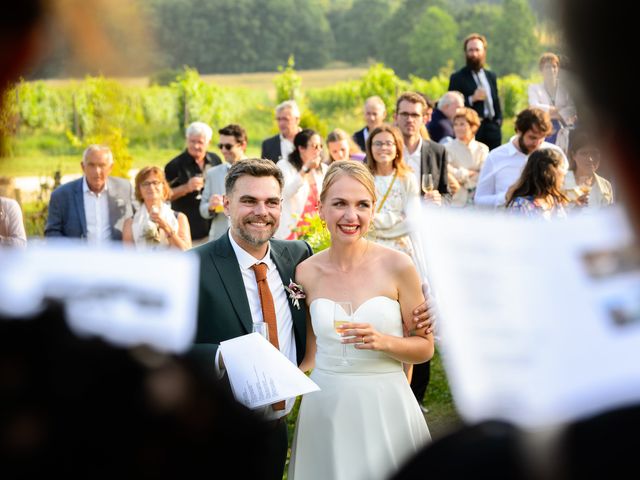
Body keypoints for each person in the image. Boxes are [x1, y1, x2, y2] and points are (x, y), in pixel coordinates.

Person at [287, 161, 433, 480]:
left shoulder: (399, 266)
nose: (351, 216)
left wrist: (385, 342)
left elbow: (425, 349)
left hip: (385, 402)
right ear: (321, 207)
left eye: (362, 205)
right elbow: (310, 355)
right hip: (326, 405)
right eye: (339, 203)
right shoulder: (305, 272)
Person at [474, 108, 568, 208]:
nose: (537, 144)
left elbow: (566, 189)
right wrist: (506, 197)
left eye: (542, 138)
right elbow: (479, 200)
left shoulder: (554, 153)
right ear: (519, 131)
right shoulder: (495, 157)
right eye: (532, 137)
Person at [45, 145, 134, 242]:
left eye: (102, 165)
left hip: (115, 255)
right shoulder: (62, 195)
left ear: (110, 167)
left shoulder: (124, 189)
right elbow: (52, 233)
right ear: (83, 166)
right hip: (77, 256)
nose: (97, 171)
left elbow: (139, 219)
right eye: (91, 165)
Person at [365, 125, 420, 263]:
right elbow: (364, 217)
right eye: (378, 143)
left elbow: (413, 217)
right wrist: (395, 218)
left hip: (402, 248)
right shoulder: (363, 179)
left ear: (397, 148)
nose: (383, 148)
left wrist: (382, 228)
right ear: (370, 149)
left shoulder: (408, 178)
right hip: (371, 248)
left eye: (388, 143)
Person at [165, 121, 222, 246]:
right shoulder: (174, 166)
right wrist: (186, 187)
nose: (196, 146)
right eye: (192, 141)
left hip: (213, 230)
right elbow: (164, 196)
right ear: (187, 140)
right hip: (187, 232)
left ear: (208, 142)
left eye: (200, 142)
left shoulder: (215, 160)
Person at [394, 91, 452, 206]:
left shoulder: (438, 152)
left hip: (425, 221)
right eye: (405, 114)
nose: (410, 119)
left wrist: (439, 200)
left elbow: (446, 195)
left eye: (415, 115)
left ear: (425, 119)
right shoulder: (383, 150)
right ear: (396, 117)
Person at [449, 33, 503, 150]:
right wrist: (471, 99)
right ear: (465, 53)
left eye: (477, 50)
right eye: (470, 50)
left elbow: (496, 101)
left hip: (493, 128)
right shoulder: (457, 77)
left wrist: (498, 121)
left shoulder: (491, 76)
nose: (474, 54)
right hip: (472, 129)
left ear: (484, 52)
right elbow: (452, 106)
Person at [276, 129, 328, 239]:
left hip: (317, 228)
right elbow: (287, 192)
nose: (319, 150)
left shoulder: (323, 169)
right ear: (301, 148)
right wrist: (305, 169)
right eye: (314, 146)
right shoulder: (284, 166)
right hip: (292, 227)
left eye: (320, 146)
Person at [122, 166, 191, 250]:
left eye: (155, 182)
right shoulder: (130, 223)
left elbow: (186, 251)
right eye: (145, 184)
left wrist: (166, 227)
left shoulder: (179, 218)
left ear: (164, 186)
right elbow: (128, 258)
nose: (151, 187)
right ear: (139, 190)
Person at [199, 124, 248, 241]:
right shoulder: (212, 173)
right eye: (220, 146)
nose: (223, 150)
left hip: (247, 239)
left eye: (228, 146)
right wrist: (210, 206)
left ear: (242, 145)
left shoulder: (258, 172)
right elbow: (203, 209)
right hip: (219, 239)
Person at [528, 52, 577, 147]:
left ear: (558, 69)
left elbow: (572, 109)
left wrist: (549, 113)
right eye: (547, 67)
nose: (551, 70)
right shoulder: (534, 88)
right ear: (541, 70)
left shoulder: (566, 88)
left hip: (565, 128)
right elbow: (534, 107)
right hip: (543, 129)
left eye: (554, 66)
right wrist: (560, 110)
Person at [505, 148, 569, 219]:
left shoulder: (553, 200)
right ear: (551, 172)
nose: (565, 172)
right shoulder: (521, 204)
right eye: (562, 167)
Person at [445, 107, 489, 207]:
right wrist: (469, 173)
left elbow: (484, 175)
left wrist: (459, 174)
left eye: (462, 124)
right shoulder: (446, 148)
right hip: (455, 202)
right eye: (455, 124)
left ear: (473, 127)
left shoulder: (482, 149)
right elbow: (447, 173)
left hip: (477, 202)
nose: (457, 128)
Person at [562, 128, 613, 208]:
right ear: (573, 155)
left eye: (594, 153)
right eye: (584, 153)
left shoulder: (605, 185)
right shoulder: (561, 182)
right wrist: (576, 208)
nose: (590, 159)